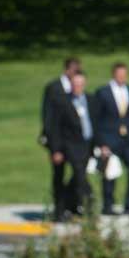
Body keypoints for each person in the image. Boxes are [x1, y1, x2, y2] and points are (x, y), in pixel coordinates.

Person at [93, 62, 129, 216]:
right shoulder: (103, 92)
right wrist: (101, 142)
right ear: (114, 74)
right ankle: (108, 206)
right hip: (109, 139)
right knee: (110, 172)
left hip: (128, 139)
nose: (122, 77)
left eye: (125, 74)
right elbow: (97, 119)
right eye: (119, 74)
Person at [47, 71, 95, 218]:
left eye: (80, 84)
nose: (78, 87)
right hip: (69, 146)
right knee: (79, 176)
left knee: (77, 177)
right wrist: (56, 150)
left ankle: (67, 206)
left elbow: (96, 123)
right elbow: (54, 127)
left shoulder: (91, 99)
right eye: (75, 84)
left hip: (87, 145)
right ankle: (89, 204)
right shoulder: (62, 101)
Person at [42, 57, 82, 220]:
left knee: (79, 174)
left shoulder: (78, 88)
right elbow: (48, 118)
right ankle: (59, 210)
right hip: (58, 140)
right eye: (74, 70)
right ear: (66, 70)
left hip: (75, 142)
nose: (76, 74)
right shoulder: (54, 88)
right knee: (58, 175)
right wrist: (54, 146)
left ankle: (71, 205)